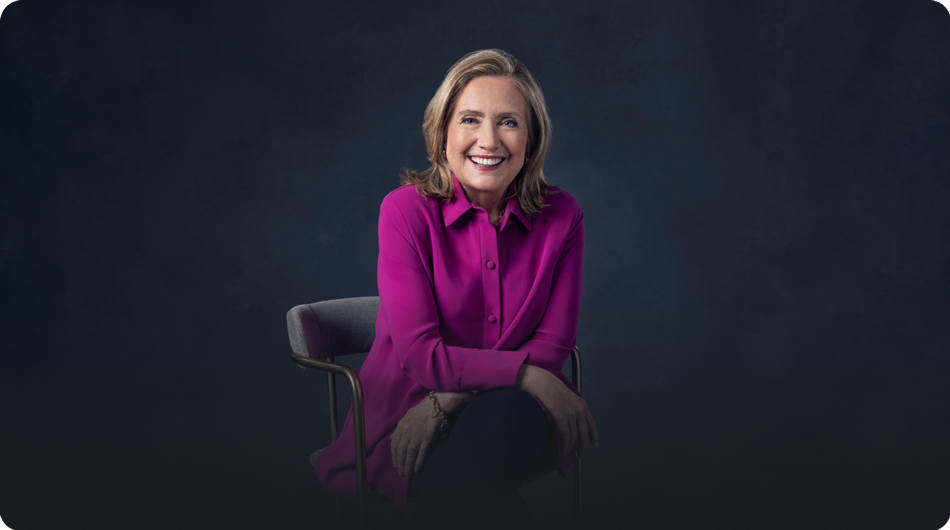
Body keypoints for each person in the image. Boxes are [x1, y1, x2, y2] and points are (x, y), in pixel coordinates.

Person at [314, 49, 598, 528]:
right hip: (405, 421)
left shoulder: (564, 216)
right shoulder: (404, 211)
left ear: (531, 139)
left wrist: (450, 399)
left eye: (509, 122)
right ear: (442, 132)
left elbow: (553, 344)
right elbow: (421, 355)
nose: (489, 140)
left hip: (517, 415)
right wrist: (527, 375)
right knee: (475, 480)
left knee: (500, 424)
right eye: (470, 119)